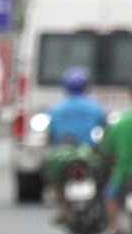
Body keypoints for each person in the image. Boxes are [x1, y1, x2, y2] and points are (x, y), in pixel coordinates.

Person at [43, 67, 106, 222]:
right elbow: (104, 130)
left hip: (63, 154)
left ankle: (63, 208)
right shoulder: (96, 108)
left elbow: (51, 134)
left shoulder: (56, 109)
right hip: (90, 152)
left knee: (52, 174)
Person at [104, 87, 132, 234]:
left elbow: (108, 149)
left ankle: (114, 228)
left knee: (111, 196)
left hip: (124, 174)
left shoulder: (121, 122)